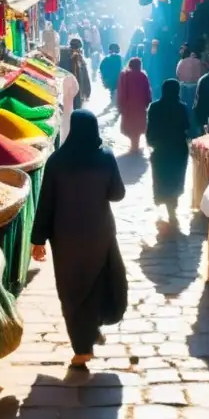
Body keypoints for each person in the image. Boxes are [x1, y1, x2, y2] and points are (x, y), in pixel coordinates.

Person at [31, 110, 127, 370]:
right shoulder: (105, 157)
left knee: (72, 291)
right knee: (96, 283)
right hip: (99, 234)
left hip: (65, 240)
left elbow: (46, 204)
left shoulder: (57, 161)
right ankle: (91, 331)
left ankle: (82, 348)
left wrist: (37, 240)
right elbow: (118, 193)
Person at [146, 79, 191, 226]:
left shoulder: (154, 107)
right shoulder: (181, 107)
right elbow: (187, 126)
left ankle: (165, 203)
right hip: (178, 149)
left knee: (161, 177)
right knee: (176, 178)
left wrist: (151, 142)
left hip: (161, 150)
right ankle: (172, 206)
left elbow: (150, 129)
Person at [117, 57, 152, 152]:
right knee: (138, 126)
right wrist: (148, 101)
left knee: (130, 125)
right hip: (140, 106)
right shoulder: (143, 75)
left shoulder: (124, 75)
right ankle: (135, 144)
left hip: (128, 105)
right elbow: (147, 90)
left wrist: (120, 105)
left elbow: (121, 91)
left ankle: (133, 145)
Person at [59, 37, 92, 110]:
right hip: (74, 91)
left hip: (66, 90)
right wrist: (87, 91)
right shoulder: (78, 58)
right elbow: (85, 76)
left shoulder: (63, 54)